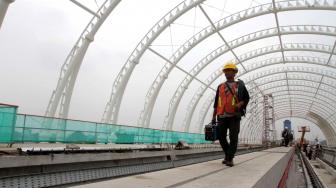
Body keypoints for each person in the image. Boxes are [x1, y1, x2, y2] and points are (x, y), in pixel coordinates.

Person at [212, 62, 250, 167]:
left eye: (229, 71)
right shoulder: (220, 87)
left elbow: (246, 98)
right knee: (221, 137)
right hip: (222, 116)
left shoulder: (240, 85)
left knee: (234, 138)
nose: (227, 73)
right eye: (226, 71)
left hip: (234, 115)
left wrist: (241, 104)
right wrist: (213, 117)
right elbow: (216, 103)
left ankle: (229, 158)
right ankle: (228, 155)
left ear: (234, 73)